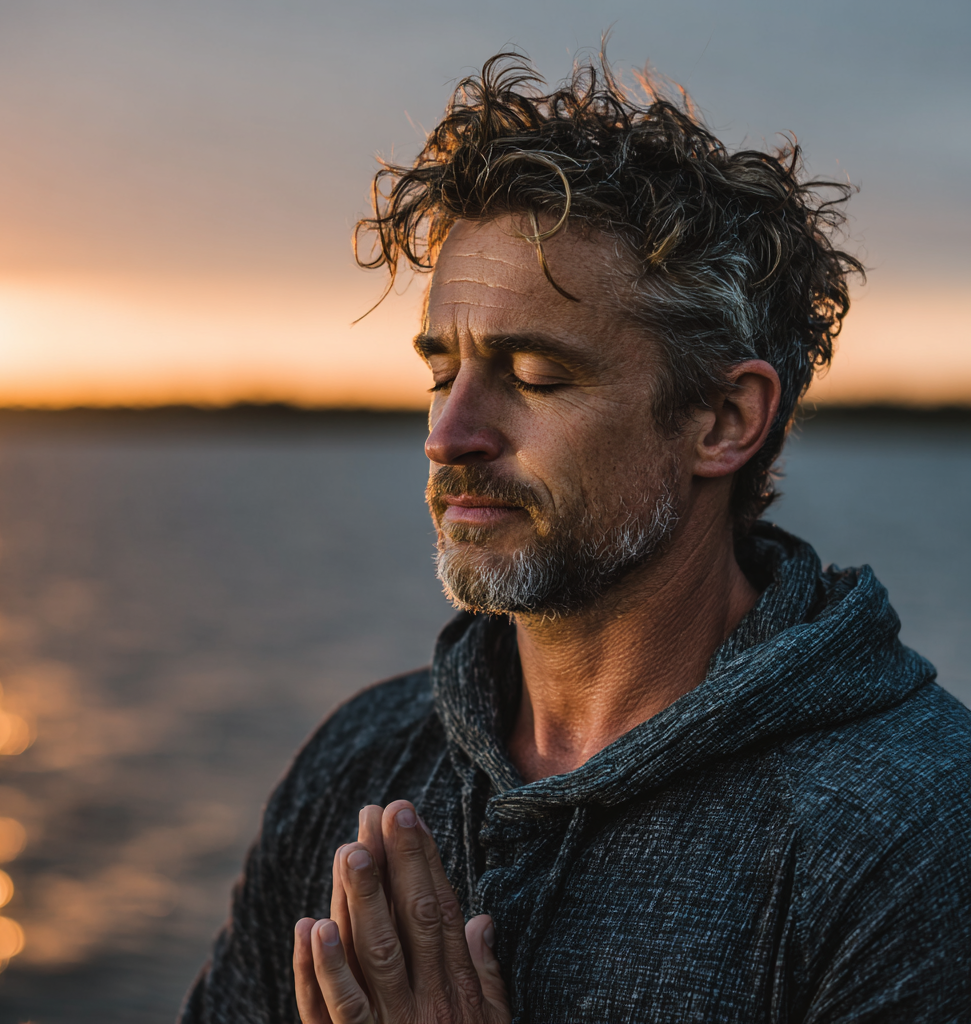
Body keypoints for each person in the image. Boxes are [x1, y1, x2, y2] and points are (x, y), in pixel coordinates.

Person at [179, 53, 970, 1023]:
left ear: (722, 420)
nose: (449, 434)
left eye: (533, 375)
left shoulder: (913, 833)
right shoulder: (360, 765)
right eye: (442, 372)